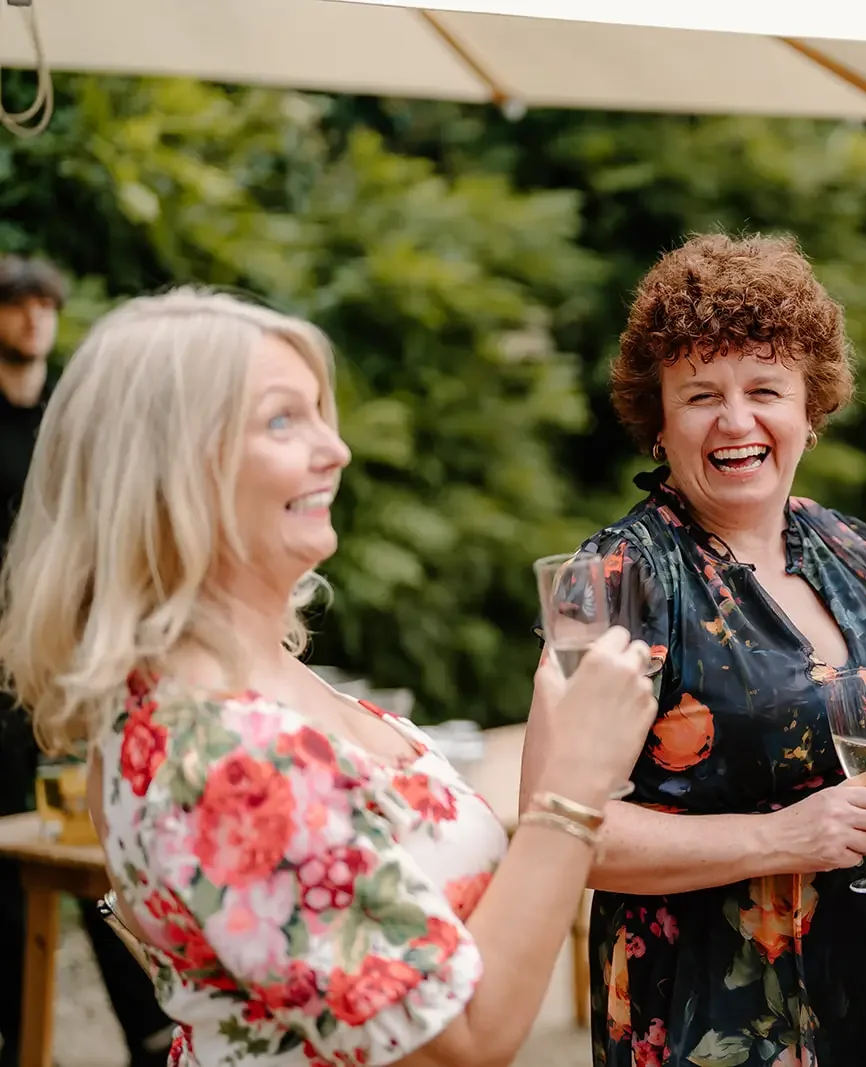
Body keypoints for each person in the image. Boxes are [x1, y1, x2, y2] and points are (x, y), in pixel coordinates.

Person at [0, 289, 660, 1067]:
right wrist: (574, 790)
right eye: (284, 419)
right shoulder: (218, 751)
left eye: (320, 411)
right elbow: (465, 1036)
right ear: (174, 467)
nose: (336, 448)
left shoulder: (257, 681)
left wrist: (561, 758)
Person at [540, 232, 866, 1066]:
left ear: (809, 411)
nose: (737, 421)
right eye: (701, 393)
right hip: (722, 1012)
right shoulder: (616, 580)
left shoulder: (856, 550)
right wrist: (779, 837)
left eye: (765, 388)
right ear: (658, 422)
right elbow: (561, 830)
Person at [0, 255, 173, 1067]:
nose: (33, 317)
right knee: (13, 863)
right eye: (16, 304)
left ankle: (148, 1029)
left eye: (44, 303)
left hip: (76, 661)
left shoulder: (66, 426)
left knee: (102, 845)